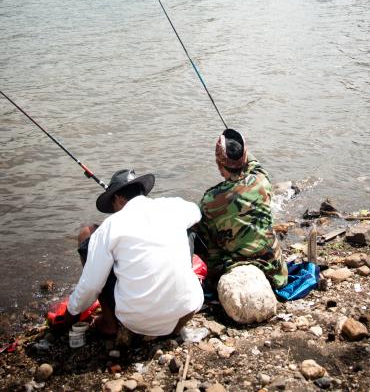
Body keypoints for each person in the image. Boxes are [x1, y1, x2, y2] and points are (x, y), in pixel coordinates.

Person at [59, 169, 204, 337]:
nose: (113, 212)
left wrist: (68, 318)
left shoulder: (110, 226)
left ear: (118, 199)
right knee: (189, 233)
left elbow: (90, 286)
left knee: (87, 234)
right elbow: (196, 211)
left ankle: (109, 322)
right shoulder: (173, 206)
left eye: (112, 206)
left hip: (138, 322)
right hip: (184, 313)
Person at [198, 128, 288, 290]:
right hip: (275, 273)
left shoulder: (210, 200)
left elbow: (206, 241)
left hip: (233, 271)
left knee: (200, 233)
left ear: (219, 164)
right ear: (244, 156)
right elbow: (253, 163)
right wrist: (239, 147)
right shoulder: (261, 179)